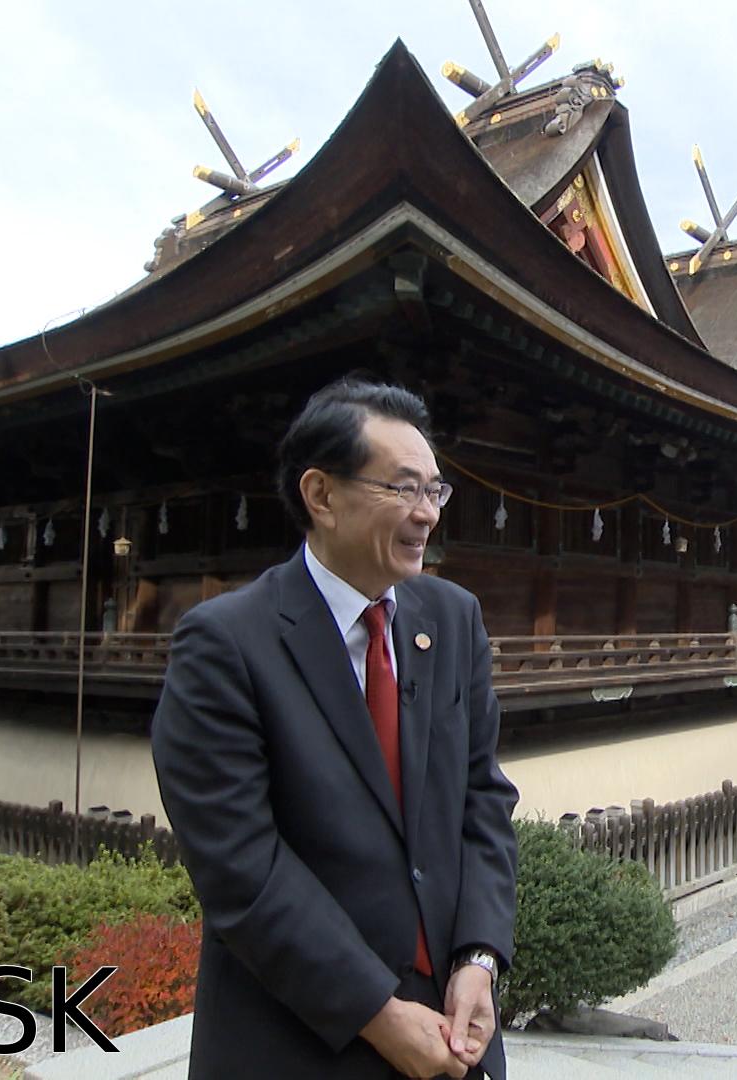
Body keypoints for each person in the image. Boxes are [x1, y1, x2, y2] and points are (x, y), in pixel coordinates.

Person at [152, 378, 520, 1079]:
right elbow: (240, 865)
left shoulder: (453, 619)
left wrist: (479, 955)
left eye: (435, 492)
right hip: (299, 1037)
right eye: (403, 489)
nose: (426, 515)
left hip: (454, 1033)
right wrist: (376, 1012)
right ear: (321, 495)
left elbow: (484, 799)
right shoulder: (227, 643)